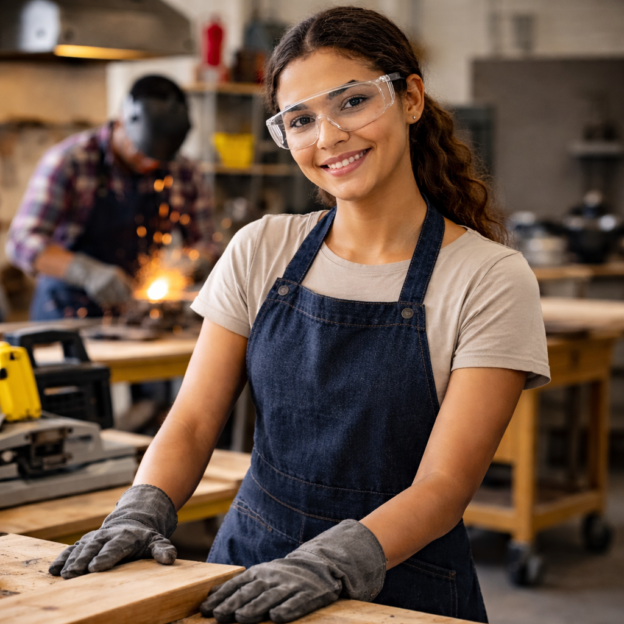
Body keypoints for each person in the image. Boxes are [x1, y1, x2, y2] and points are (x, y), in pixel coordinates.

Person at [46, 7, 550, 623]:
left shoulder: (489, 279)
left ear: (411, 98)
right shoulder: (261, 248)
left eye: (352, 102)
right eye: (301, 119)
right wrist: (141, 507)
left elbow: (443, 487)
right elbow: (195, 420)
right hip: (246, 569)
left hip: (401, 586)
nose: (328, 136)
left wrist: (328, 563)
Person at [6, 75, 215, 320]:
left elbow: (208, 243)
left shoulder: (184, 172)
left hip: (136, 316)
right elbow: (22, 242)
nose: (150, 163)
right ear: (120, 122)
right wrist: (85, 272)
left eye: (159, 158)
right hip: (65, 313)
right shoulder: (70, 162)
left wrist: (194, 264)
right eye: (141, 152)